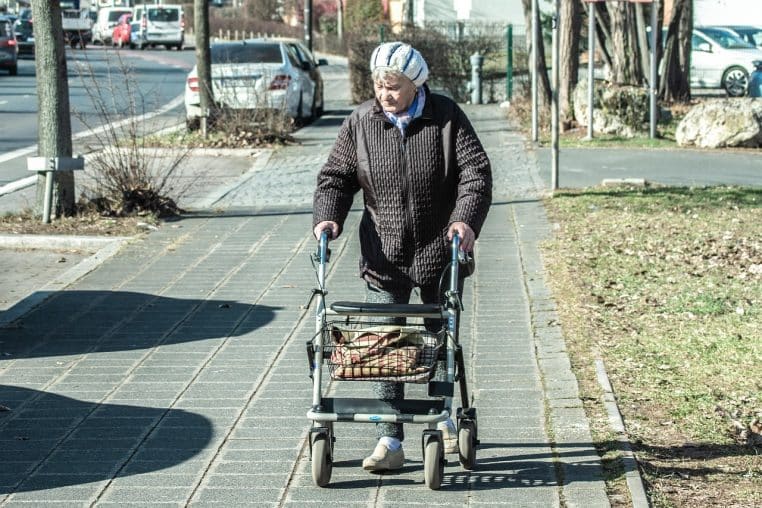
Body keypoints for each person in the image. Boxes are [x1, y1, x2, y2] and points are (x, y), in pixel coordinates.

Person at [312, 41, 492, 472]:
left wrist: (465, 221)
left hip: (439, 251)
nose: (385, 93)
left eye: (393, 86)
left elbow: (476, 173)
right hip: (384, 252)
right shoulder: (361, 122)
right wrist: (327, 218)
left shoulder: (446, 118)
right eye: (379, 85)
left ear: (416, 84)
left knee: (435, 340)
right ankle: (390, 439)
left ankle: (441, 417)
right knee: (384, 344)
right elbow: (335, 178)